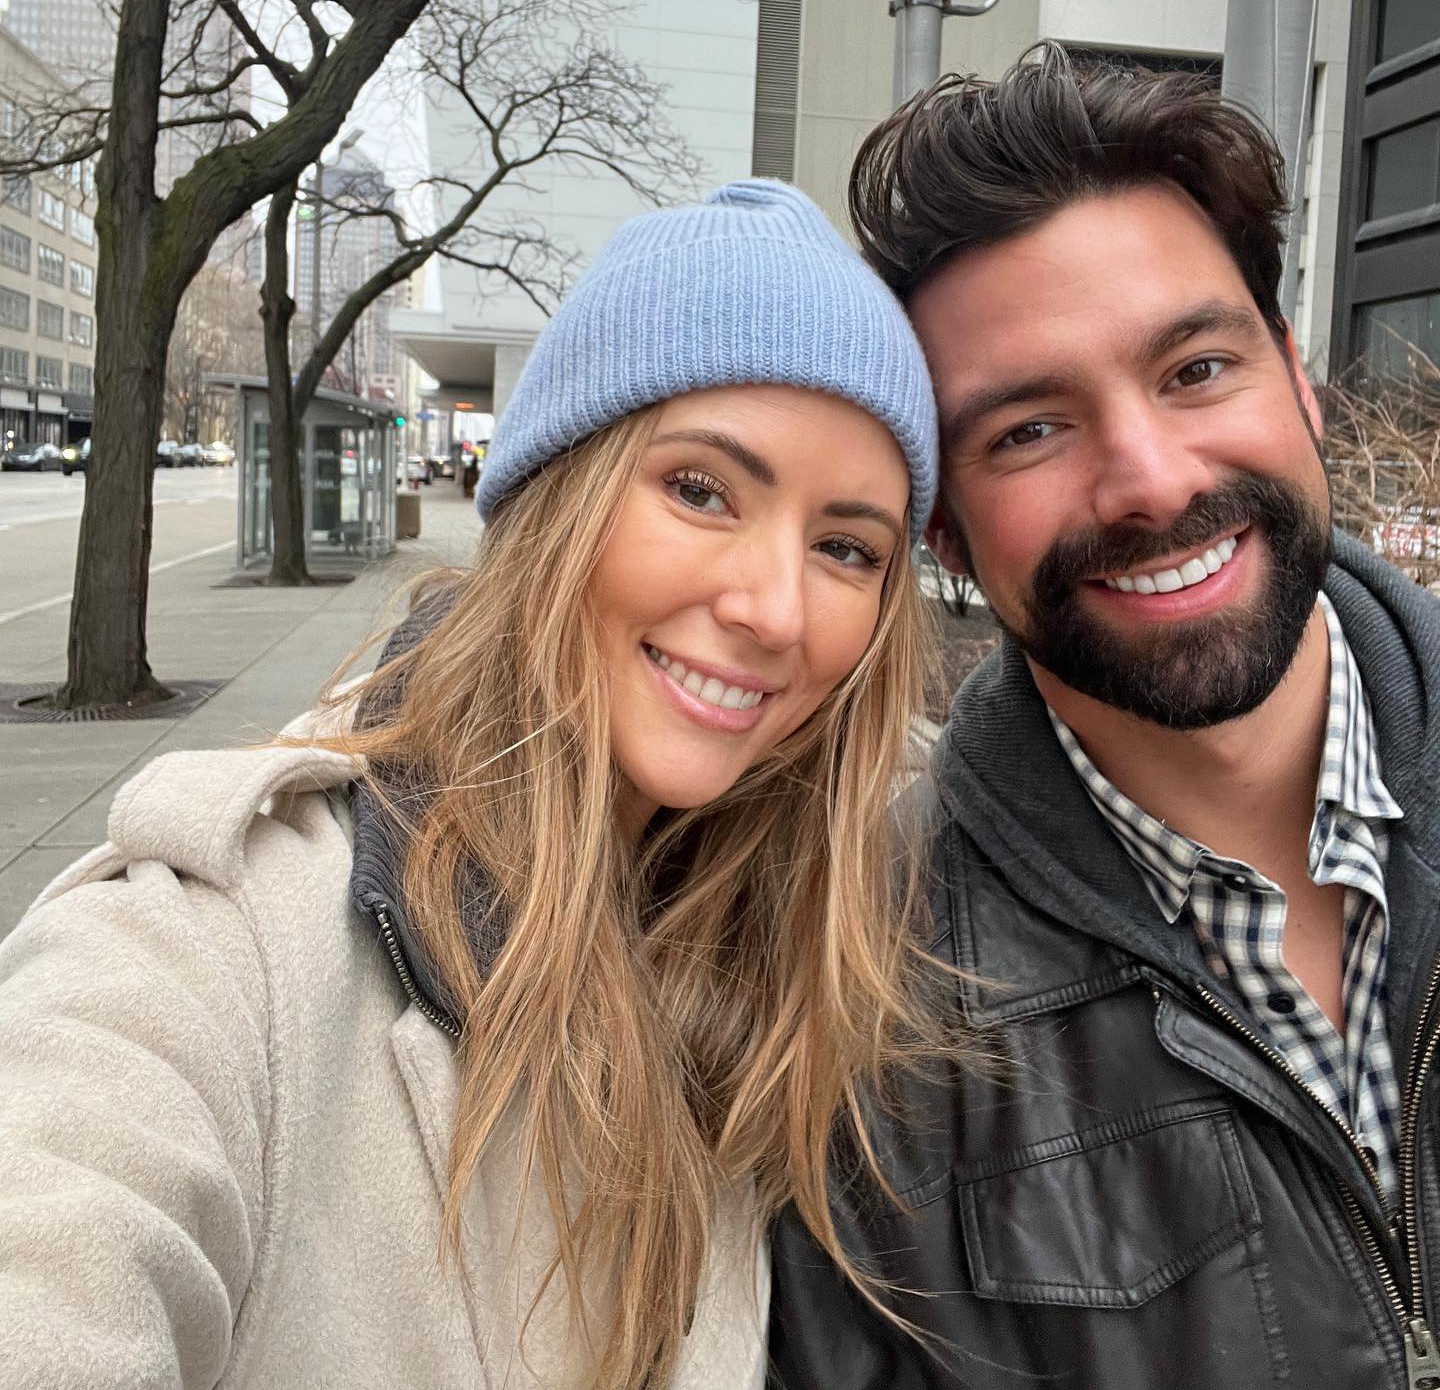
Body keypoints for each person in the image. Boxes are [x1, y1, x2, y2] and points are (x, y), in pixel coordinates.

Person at [0, 179, 956, 1390]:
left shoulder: (833, 908)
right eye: (700, 490)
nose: (774, 610)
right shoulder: (210, 955)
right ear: (558, 497)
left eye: (845, 548)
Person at [767, 45, 1440, 1390]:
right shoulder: (864, 1015)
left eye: (1197, 368)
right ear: (944, 532)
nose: (1148, 480)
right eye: (1028, 430)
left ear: (1297, 378)